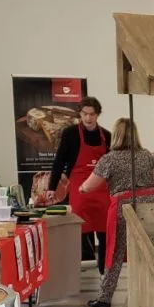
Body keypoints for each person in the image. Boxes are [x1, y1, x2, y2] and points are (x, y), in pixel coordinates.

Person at [79, 118, 154, 307]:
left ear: (116, 135)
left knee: (115, 251)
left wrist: (81, 188)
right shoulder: (147, 156)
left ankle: (104, 299)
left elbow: (89, 186)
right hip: (151, 204)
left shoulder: (109, 159)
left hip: (123, 206)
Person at [48, 97, 111, 270]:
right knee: (79, 228)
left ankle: (103, 270)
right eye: (85, 114)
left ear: (97, 115)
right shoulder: (70, 133)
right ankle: (78, 268)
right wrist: (52, 187)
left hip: (102, 189)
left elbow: (112, 165)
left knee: (104, 230)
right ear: (80, 114)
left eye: (92, 114)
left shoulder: (106, 136)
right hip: (79, 187)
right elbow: (59, 161)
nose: (88, 118)